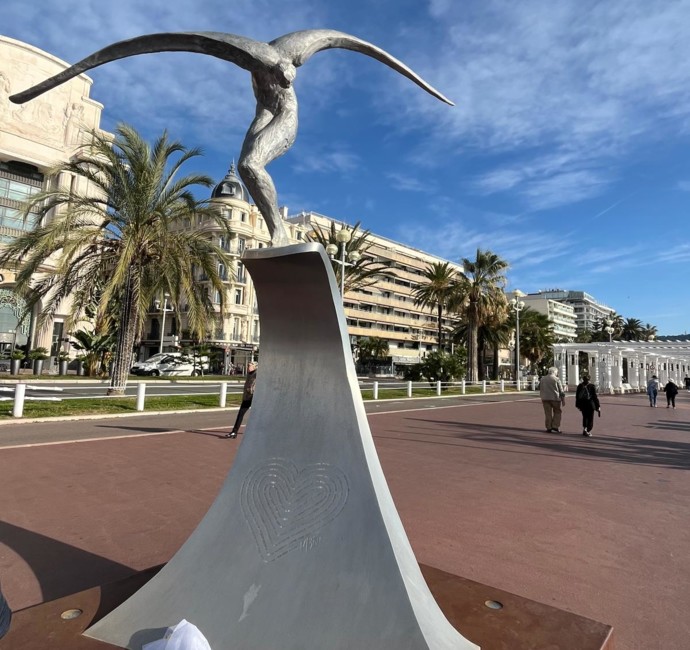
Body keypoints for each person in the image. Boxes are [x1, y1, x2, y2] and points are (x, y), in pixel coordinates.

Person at [10, 30, 453, 248]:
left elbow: (353, 43)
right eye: (282, 72)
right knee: (246, 165)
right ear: (267, 68)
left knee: (249, 166)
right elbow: (167, 42)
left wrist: (424, 83)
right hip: (263, 117)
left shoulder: (292, 60)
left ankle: (278, 230)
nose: (288, 75)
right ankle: (278, 230)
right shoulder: (254, 59)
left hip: (285, 120)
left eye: (291, 72)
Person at [224, 361, 257, 438]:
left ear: (255, 367)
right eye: (248, 365)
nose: (248, 367)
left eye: (250, 365)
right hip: (247, 398)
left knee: (258, 415)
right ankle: (234, 432)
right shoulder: (249, 374)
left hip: (255, 398)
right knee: (240, 414)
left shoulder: (257, 374)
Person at [539, 367, 566, 433]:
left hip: (545, 398)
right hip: (555, 398)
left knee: (548, 413)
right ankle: (555, 426)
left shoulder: (543, 379)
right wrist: (563, 400)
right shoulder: (556, 379)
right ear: (554, 372)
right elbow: (561, 390)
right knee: (557, 412)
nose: (557, 374)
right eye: (556, 372)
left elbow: (540, 388)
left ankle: (549, 427)